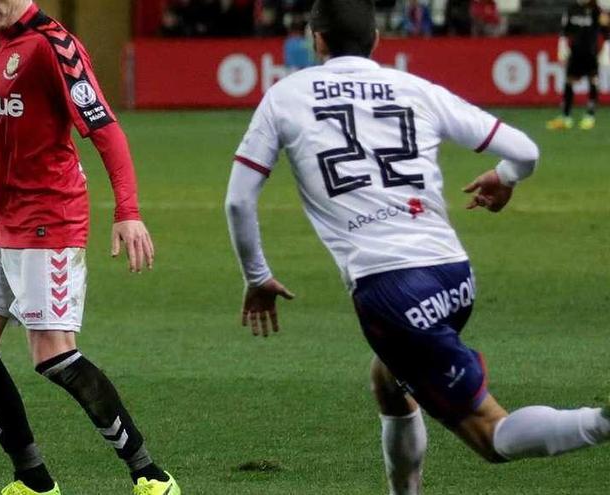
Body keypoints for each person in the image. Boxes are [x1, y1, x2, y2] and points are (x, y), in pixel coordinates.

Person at [225, 1, 610, 494]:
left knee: (490, 434)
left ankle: (602, 422)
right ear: (377, 42)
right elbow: (525, 151)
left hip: (392, 292)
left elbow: (239, 201)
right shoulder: (414, 88)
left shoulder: (285, 96)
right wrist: (505, 177)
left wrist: (257, 277)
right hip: (454, 275)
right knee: (389, 380)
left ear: (315, 39)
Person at [0, 1, 180, 494]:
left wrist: (128, 211)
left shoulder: (56, 47)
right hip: (2, 221)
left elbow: (106, 130)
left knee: (53, 355)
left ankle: (150, 474)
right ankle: (33, 480)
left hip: (51, 221)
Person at [547, 0, 610, 131]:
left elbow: (606, 32)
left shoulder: (597, 10)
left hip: (591, 53)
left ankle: (590, 116)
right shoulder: (572, 9)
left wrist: (606, 50)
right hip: (575, 52)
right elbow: (564, 31)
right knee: (569, 82)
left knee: (593, 81)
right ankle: (566, 117)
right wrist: (562, 46)